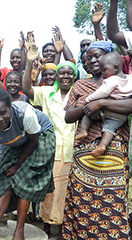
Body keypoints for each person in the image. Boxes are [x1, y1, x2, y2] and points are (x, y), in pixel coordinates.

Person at [63, 40, 131, 239]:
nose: (92, 60)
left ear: (111, 59)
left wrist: (100, 103)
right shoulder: (80, 85)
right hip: (84, 149)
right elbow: (68, 117)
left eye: (97, 55)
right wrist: (88, 108)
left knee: (113, 200)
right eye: (89, 57)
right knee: (81, 200)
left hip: (114, 148)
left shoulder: (125, 80)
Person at [0, 88, 55, 240]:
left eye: (3, 113)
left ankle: (19, 231)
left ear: (10, 107)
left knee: (24, 178)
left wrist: (17, 165)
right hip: (17, 141)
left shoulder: (24, 113)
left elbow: (33, 141)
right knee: (4, 178)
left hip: (40, 137)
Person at [22, 35, 77, 236]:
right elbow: (26, 88)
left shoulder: (80, 94)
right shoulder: (46, 93)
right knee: (50, 192)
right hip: (49, 150)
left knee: (66, 193)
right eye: (61, 72)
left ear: (74, 76)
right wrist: (29, 62)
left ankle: (62, 229)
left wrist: (63, 50)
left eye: (69, 73)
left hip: (73, 151)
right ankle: (48, 229)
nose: (64, 76)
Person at [75, 52, 132, 157]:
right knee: (109, 129)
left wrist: (90, 100)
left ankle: (83, 130)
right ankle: (103, 145)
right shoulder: (129, 79)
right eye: (89, 58)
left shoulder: (111, 80)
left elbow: (103, 92)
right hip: (121, 116)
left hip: (109, 110)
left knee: (89, 113)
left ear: (115, 68)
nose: (102, 73)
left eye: (104, 69)